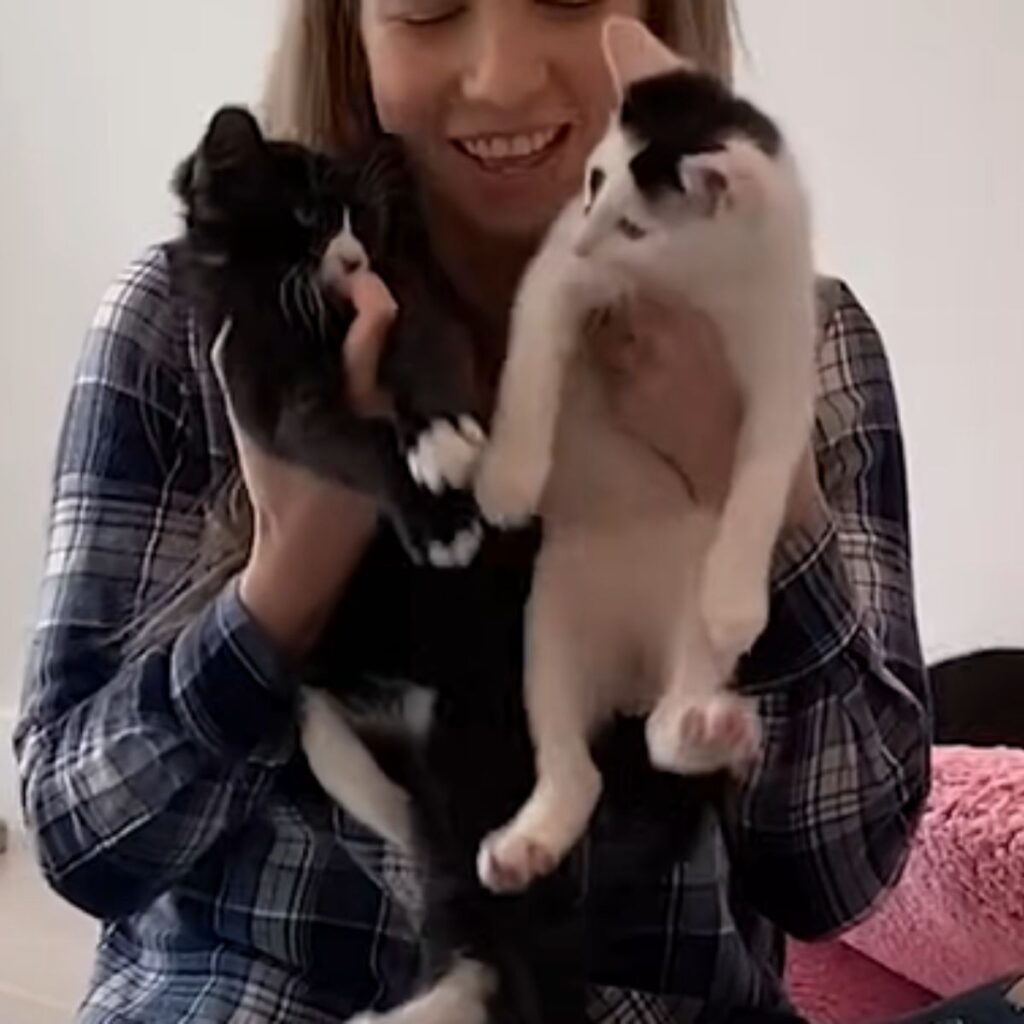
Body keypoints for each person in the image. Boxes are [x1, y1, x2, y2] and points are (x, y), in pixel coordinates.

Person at [15, 1, 992, 1022]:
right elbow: (87, 842)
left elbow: (836, 874)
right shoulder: (192, 321)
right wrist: (284, 585)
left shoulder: (805, 339)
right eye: (429, 9)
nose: (502, 78)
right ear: (350, 36)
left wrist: (767, 499)